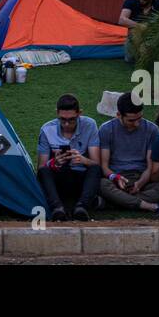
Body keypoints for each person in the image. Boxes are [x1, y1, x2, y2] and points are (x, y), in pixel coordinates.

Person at [35, 94, 101, 222]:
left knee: (95, 169)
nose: (66, 124)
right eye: (62, 119)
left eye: (71, 120)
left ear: (79, 113)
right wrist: (54, 162)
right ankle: (57, 208)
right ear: (57, 113)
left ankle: (81, 207)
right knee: (44, 172)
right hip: (59, 177)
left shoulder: (90, 125)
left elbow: (95, 163)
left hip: (81, 177)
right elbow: (41, 167)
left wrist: (83, 160)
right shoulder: (47, 129)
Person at [98, 94, 159, 214]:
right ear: (119, 115)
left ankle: (114, 202)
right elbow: (104, 166)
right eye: (131, 120)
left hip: (142, 177)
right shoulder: (106, 129)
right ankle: (148, 206)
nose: (137, 124)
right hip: (116, 178)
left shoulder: (152, 130)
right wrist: (116, 177)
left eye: (140, 118)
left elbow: (150, 167)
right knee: (101, 184)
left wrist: (140, 184)